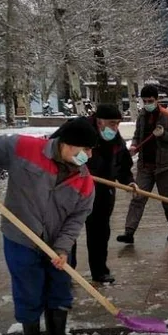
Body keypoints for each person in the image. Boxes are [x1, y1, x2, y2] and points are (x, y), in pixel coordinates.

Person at [0, 119, 98, 335]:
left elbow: (76, 220)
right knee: (28, 287)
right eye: (86, 149)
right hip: (21, 236)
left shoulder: (84, 181)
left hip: (57, 242)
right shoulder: (26, 148)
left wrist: (63, 249)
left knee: (60, 286)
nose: (89, 155)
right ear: (67, 144)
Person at [51, 105, 134, 284]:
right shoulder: (77, 128)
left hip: (102, 190)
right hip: (72, 189)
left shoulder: (115, 139)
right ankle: (66, 272)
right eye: (112, 123)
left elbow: (123, 164)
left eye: (117, 124)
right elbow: (53, 149)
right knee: (68, 231)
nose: (115, 128)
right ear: (99, 120)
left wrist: (128, 181)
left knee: (100, 232)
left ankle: (100, 271)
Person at [117, 84, 168, 245]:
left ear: (157, 99)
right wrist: (134, 146)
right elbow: (137, 135)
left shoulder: (167, 116)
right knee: (138, 198)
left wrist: (163, 134)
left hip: (164, 166)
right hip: (145, 165)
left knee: (167, 199)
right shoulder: (142, 116)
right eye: (145, 101)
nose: (147, 104)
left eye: (150, 101)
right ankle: (129, 232)